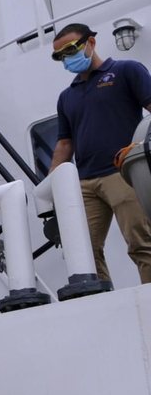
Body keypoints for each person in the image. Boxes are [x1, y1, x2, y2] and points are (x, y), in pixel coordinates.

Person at [49, 22, 151, 284]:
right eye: (60, 56)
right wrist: (51, 188)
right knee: (83, 255)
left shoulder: (126, 71)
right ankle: (104, 308)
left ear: (91, 43)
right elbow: (64, 144)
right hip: (83, 184)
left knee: (141, 244)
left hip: (124, 174)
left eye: (70, 50)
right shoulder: (66, 96)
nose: (66, 59)